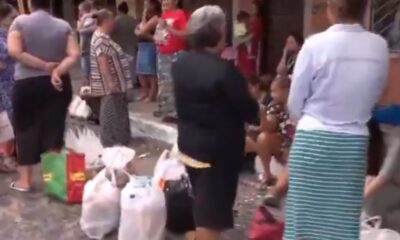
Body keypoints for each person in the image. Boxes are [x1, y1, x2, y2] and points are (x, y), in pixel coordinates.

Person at [284, 0, 389, 239]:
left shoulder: (314, 44)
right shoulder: (379, 46)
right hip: (352, 146)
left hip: (311, 141)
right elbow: (378, 91)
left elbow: (294, 103)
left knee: (303, 224)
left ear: (330, 8)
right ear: (364, 8)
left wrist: (311, 117)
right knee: (341, 225)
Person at [172, 6, 259, 240]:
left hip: (189, 145)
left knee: (202, 203)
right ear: (219, 33)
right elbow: (251, 113)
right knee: (210, 215)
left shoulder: (180, 62)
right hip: (217, 155)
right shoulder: (225, 71)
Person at [7, 0, 79, 191]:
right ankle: (53, 180)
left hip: (27, 84)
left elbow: (14, 50)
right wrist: (57, 70)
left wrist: (42, 66)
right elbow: (74, 54)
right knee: (54, 129)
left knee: (24, 129)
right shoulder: (63, 25)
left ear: (30, 4)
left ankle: (25, 181)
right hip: (58, 83)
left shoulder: (20, 22)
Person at [90, 9, 131, 147]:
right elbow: (103, 62)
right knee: (111, 115)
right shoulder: (101, 39)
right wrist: (111, 83)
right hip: (110, 87)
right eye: (113, 20)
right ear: (107, 21)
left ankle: (119, 141)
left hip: (115, 85)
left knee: (118, 114)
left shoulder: (102, 37)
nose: (114, 23)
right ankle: (111, 144)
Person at [154, 0, 187, 122]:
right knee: (164, 83)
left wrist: (168, 27)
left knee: (176, 82)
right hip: (162, 53)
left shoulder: (180, 14)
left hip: (175, 53)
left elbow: (185, 34)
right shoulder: (163, 14)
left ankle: (178, 112)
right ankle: (167, 110)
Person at [0, 3, 18, 172]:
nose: (15, 20)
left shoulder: (7, 35)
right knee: (5, 123)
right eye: (12, 17)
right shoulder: (1, 38)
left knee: (8, 122)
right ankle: (5, 157)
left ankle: (8, 156)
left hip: (10, 85)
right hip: (3, 87)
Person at [135, 0, 161, 102]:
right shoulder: (146, 18)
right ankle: (145, 92)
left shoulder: (155, 18)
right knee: (140, 72)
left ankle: (151, 95)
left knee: (150, 72)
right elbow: (137, 29)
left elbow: (141, 30)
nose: (145, 6)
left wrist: (140, 31)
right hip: (142, 46)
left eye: (147, 5)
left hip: (150, 46)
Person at [111, 1, 137, 101]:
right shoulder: (133, 20)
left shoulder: (115, 21)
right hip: (131, 45)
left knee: (122, 69)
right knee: (131, 68)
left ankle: (125, 89)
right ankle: (132, 84)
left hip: (120, 46)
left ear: (118, 10)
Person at [235, 0, 263, 78]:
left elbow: (253, 37)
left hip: (251, 49)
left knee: (250, 70)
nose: (252, 9)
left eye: (255, 8)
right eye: (251, 7)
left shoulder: (257, 21)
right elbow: (239, 37)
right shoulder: (243, 20)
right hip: (243, 49)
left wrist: (245, 38)